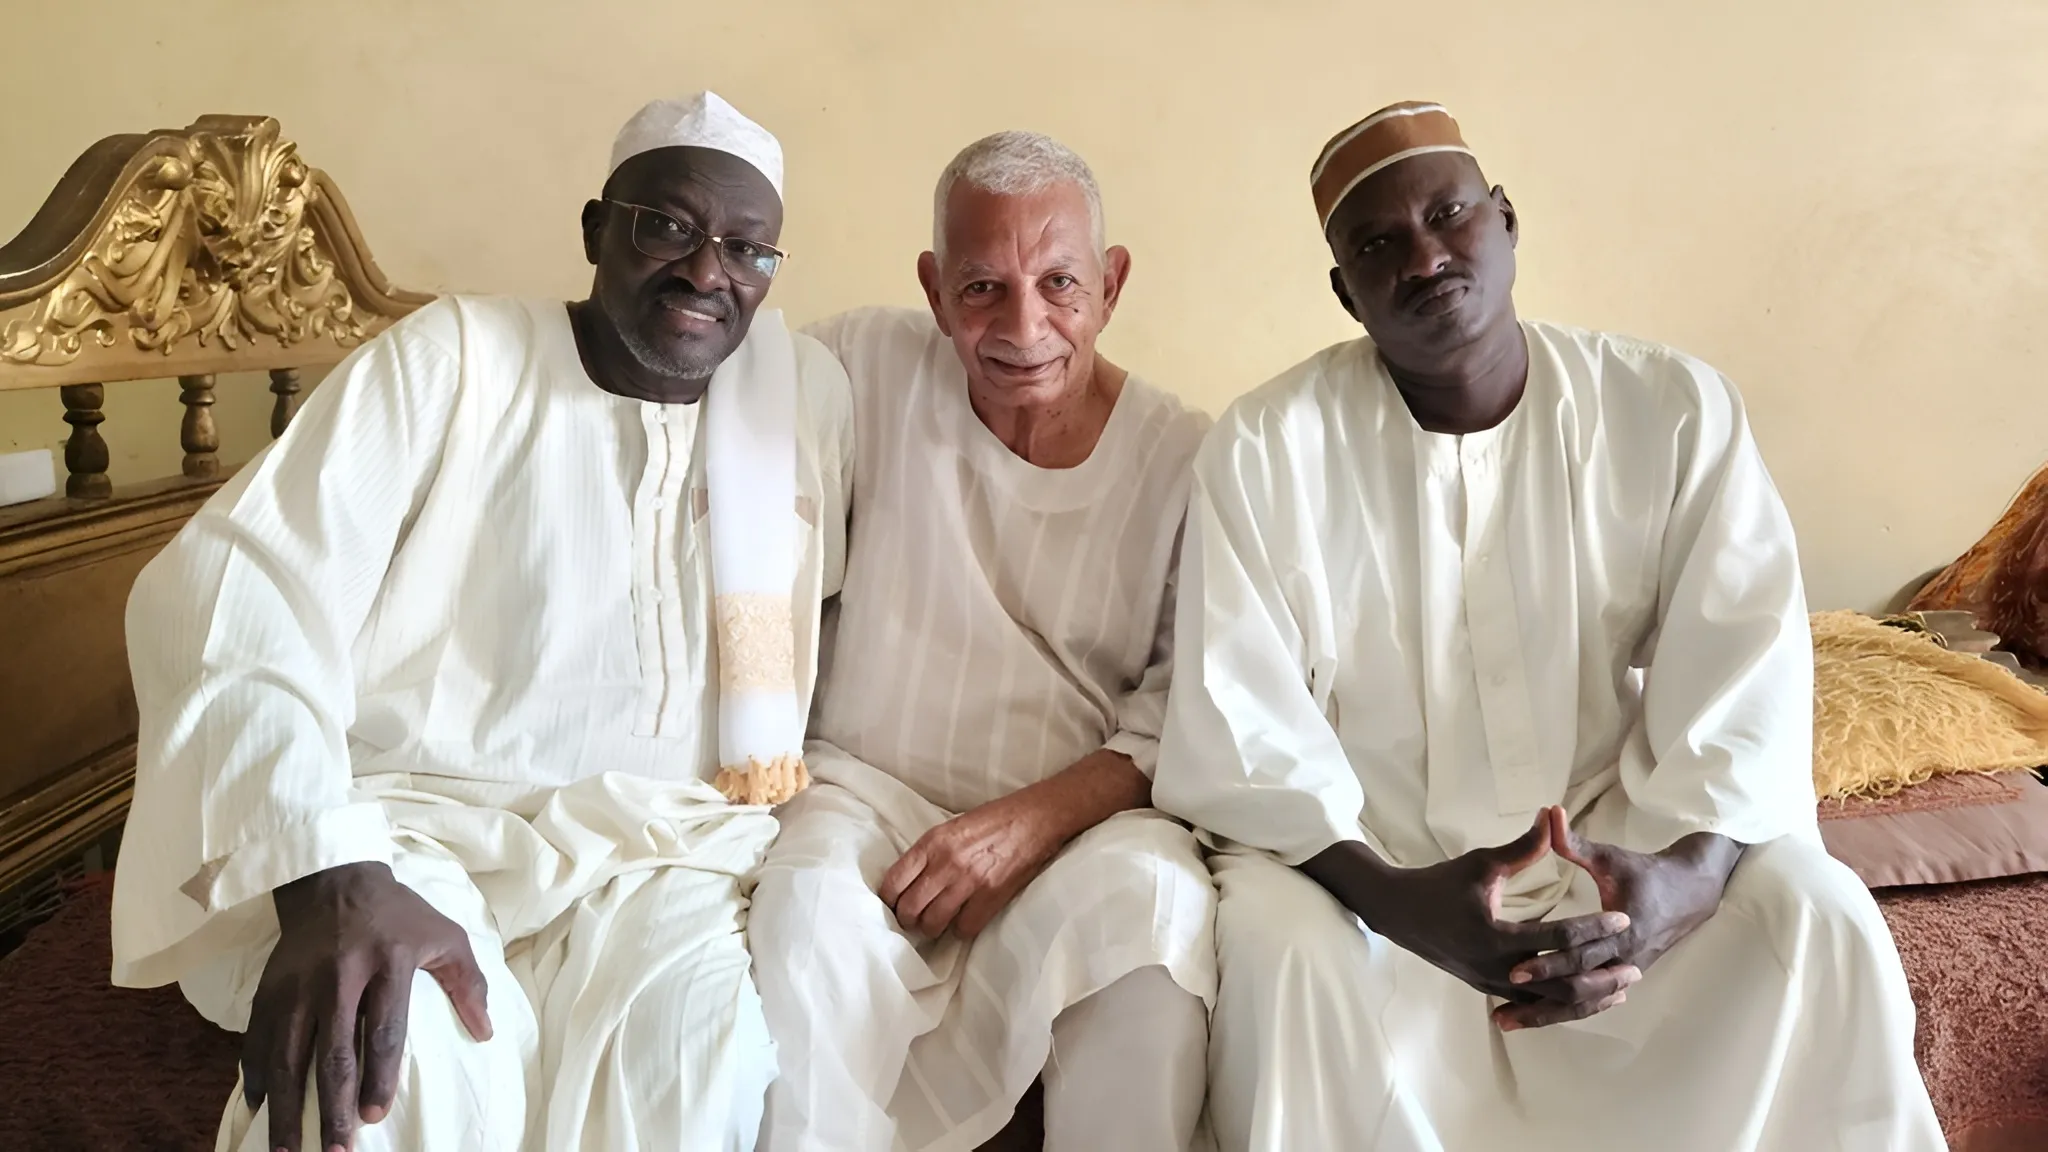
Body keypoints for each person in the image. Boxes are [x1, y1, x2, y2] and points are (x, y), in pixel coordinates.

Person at [1153, 101, 1945, 1151]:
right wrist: (1395, 902)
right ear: (1344, 291)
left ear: (1506, 221)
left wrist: (1687, 877)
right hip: (1369, 862)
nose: (1424, 257)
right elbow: (1241, 723)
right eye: (1377, 244)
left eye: (1448, 216)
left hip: (1622, 835)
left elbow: (1745, 667)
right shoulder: (1263, 447)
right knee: (1281, 951)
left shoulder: (1668, 408)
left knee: (1816, 913)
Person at [109, 92, 853, 1152]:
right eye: (668, 226)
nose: (705, 270)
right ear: (597, 228)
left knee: (697, 1077)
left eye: (745, 248)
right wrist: (332, 868)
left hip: (670, 851)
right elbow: (236, 587)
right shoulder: (455, 359)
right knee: (385, 1070)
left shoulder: (802, 396)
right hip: (418, 834)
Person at [749, 131, 1217, 1152]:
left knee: (1154, 927)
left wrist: (1030, 823)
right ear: (930, 288)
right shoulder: (855, 364)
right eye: (980, 289)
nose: (1023, 326)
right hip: (865, 791)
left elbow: (1183, 702)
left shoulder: (1188, 459)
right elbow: (713, 438)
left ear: (1111, 283)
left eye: (1058, 283)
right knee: (804, 927)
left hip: (1082, 821)